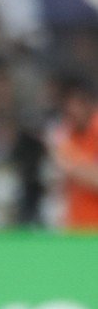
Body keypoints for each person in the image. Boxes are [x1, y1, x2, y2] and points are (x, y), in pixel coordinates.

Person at [48, 77, 98, 231]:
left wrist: (66, 158)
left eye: (75, 104)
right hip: (75, 227)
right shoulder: (68, 134)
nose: (70, 110)